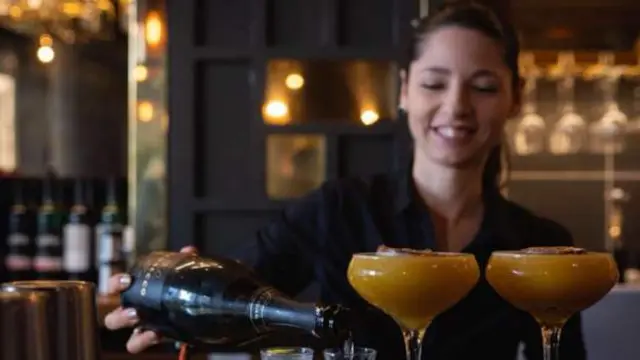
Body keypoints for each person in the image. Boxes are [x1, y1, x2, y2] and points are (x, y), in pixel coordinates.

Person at [104, 2, 587, 359]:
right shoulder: (338, 209)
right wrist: (180, 305)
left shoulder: (541, 247)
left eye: (483, 87)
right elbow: (240, 299)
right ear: (403, 92)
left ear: (515, 98)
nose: (456, 107)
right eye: (434, 83)